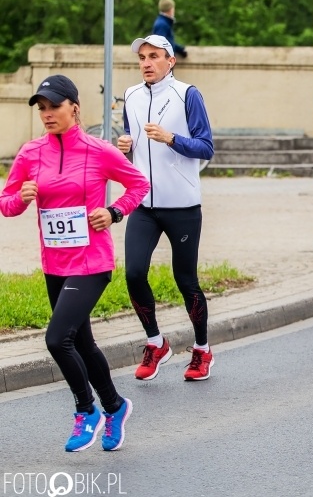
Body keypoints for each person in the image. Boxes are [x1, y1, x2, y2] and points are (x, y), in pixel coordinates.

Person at [0, 75, 149, 451]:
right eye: (42, 108)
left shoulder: (98, 151)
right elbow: (6, 203)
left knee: (56, 339)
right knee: (82, 343)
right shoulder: (30, 153)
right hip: (55, 262)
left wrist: (114, 212)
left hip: (92, 260)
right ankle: (115, 407)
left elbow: (139, 184)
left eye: (54, 106)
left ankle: (88, 410)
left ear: (75, 108)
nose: (47, 114)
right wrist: (22, 196)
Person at [116, 35, 215, 381]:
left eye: (154, 56)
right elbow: (132, 144)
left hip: (182, 205)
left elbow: (206, 147)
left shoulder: (187, 94)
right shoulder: (130, 95)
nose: (146, 62)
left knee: (185, 280)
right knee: (133, 274)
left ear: (170, 61)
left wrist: (171, 138)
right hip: (143, 204)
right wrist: (125, 145)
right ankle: (156, 343)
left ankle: (202, 350)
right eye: (142, 57)